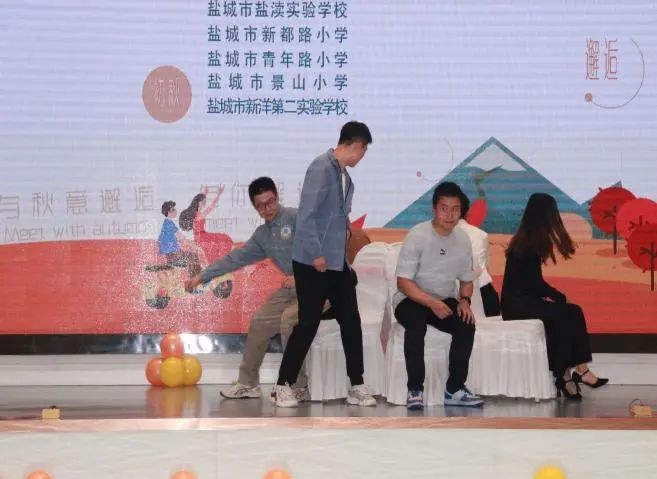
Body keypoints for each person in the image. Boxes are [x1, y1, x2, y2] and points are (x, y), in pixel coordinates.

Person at [273, 121, 376, 408]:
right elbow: (306, 215)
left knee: (350, 320)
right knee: (308, 323)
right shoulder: (321, 167)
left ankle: (357, 385)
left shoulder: (345, 178)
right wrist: (316, 253)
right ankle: (282, 385)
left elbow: (338, 217)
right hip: (313, 262)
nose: (362, 156)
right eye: (364, 150)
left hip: (337, 264)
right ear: (356, 145)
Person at [185, 177, 310, 402]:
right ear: (255, 207)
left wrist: (301, 276)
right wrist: (202, 276)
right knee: (259, 322)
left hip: (318, 286)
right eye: (261, 206)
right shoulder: (262, 235)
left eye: (270, 202)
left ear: (277, 197)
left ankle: (298, 385)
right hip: (291, 290)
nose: (267, 209)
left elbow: (321, 250)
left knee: (288, 319)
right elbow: (235, 258)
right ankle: (248, 383)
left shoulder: (296, 217)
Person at [501, 193, 608, 400]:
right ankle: (577, 372)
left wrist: (555, 296)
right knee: (570, 312)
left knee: (567, 315)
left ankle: (567, 376)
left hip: (521, 302)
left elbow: (532, 283)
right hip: (517, 306)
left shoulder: (528, 240)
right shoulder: (528, 244)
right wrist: (556, 295)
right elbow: (535, 283)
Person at [394, 182, 484, 410]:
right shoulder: (418, 235)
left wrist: (464, 301)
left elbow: (466, 280)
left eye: (455, 209)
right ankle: (415, 389)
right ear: (435, 209)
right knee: (416, 323)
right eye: (444, 209)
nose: (450, 215)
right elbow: (403, 282)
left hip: (443, 300)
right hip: (411, 299)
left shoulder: (463, 239)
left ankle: (454, 389)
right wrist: (431, 303)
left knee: (466, 323)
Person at [456, 193, 501, 317]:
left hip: (456, 293)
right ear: (467, 212)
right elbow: (485, 268)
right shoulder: (481, 234)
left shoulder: (440, 235)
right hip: (483, 290)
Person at [179, 186, 233, 263]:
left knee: (221, 240)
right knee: (224, 238)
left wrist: (205, 193)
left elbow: (201, 202)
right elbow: (211, 206)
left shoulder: (195, 213)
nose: (205, 202)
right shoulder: (198, 215)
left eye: (204, 201)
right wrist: (218, 195)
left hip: (199, 237)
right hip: (202, 237)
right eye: (203, 201)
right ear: (198, 203)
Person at [157, 200, 203, 277]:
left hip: (173, 254)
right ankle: (197, 278)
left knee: (192, 256)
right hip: (173, 255)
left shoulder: (167, 223)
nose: (175, 211)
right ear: (168, 212)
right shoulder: (169, 224)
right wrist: (191, 244)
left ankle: (196, 277)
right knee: (193, 256)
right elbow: (180, 237)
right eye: (173, 209)